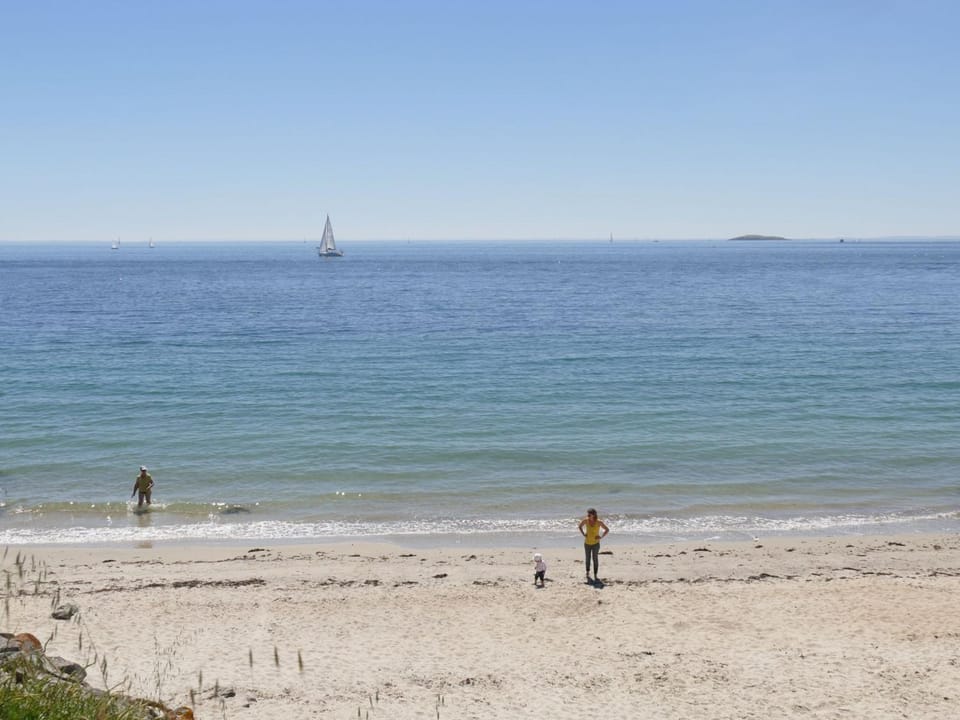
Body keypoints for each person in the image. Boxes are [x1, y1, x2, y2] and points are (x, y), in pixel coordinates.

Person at [578, 508, 609, 584]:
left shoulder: (599, 522)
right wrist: (583, 534)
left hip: (596, 544)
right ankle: (587, 572)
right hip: (587, 543)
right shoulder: (586, 520)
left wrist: (601, 537)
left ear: (594, 514)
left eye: (589, 514)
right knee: (587, 558)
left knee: (595, 559)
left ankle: (595, 574)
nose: (588, 516)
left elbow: (607, 529)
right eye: (587, 514)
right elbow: (580, 526)